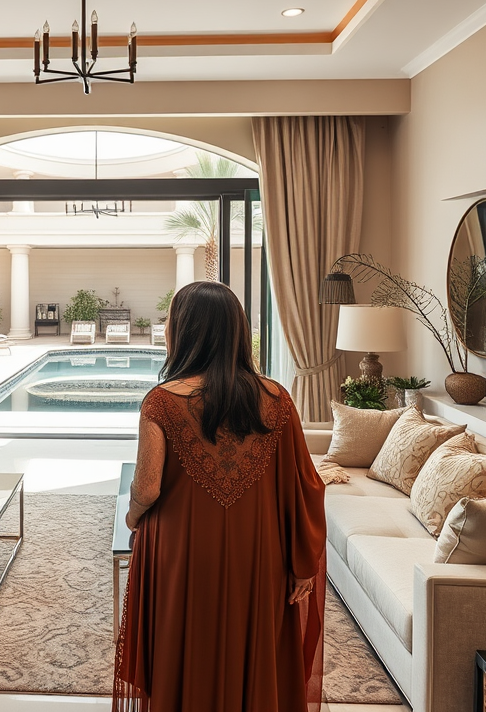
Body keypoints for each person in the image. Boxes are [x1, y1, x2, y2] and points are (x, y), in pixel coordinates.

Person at [114, 281, 327, 712]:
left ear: (183, 330)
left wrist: (133, 517)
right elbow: (306, 483)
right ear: (236, 331)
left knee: (181, 647)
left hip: (180, 555)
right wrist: (302, 561)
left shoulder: (160, 402)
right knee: (253, 653)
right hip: (260, 554)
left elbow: (147, 486)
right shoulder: (278, 399)